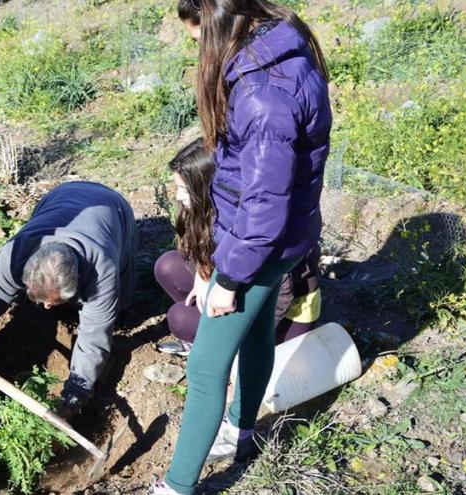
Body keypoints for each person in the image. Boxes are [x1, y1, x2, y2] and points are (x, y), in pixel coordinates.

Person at [150, 0, 331, 493]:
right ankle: (242, 430)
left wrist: (229, 277)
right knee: (253, 340)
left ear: (218, 23)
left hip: (262, 247)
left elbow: (263, 203)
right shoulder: (285, 50)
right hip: (286, 237)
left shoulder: (261, 93)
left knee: (206, 367)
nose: (198, 49)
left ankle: (178, 485)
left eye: (197, 36)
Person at [0, 181, 137, 420]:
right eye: (40, 299)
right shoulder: (14, 256)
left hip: (113, 209)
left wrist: (73, 399)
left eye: (53, 301)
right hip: (61, 195)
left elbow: (94, 339)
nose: (45, 307)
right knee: (16, 300)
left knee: (122, 310)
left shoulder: (102, 270)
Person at [154, 138, 321, 357]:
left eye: (185, 189)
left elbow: (281, 294)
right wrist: (203, 275)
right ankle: (208, 334)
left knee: (180, 318)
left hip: (283, 312)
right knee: (167, 266)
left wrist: (241, 333)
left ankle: (225, 351)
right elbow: (201, 252)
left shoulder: (256, 226)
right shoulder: (207, 208)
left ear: (208, 187)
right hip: (235, 286)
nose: (178, 196)